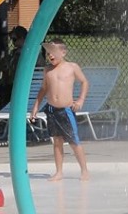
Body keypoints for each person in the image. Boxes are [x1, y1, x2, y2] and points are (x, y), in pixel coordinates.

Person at [30, 39, 90, 180]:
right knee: (57, 141)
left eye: (54, 52)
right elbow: (44, 89)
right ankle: (59, 172)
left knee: (74, 141)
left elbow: (84, 82)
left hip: (66, 111)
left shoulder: (71, 67)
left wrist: (80, 100)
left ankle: (84, 170)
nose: (50, 55)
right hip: (52, 110)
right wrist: (35, 106)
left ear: (63, 52)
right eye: (48, 53)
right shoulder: (48, 70)